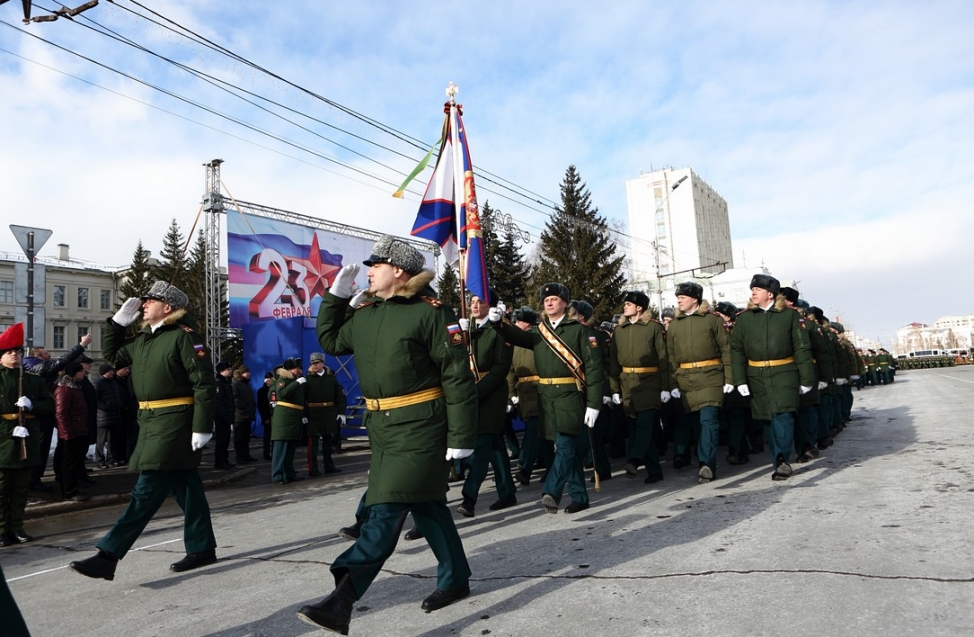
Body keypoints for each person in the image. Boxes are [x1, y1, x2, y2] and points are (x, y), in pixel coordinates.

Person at [301, 235, 477, 634]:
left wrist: (461, 434)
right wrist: (336, 297)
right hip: (381, 428)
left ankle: (341, 600)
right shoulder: (365, 312)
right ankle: (455, 579)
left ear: (398, 270)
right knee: (428, 506)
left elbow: (457, 377)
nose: (367, 271)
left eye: (375, 265)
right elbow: (330, 341)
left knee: (384, 511)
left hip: (420, 426)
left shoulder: (430, 313)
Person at [69, 281, 218, 579]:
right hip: (149, 421)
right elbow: (113, 355)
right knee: (186, 487)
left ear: (168, 308)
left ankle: (108, 555)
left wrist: (202, 425)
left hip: (175, 423)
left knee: (146, 489)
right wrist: (116, 323)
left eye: (151, 300)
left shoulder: (184, 337)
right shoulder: (143, 340)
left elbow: (204, 383)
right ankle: (202, 548)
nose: (144, 304)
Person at [487, 282, 605, 514]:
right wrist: (498, 323)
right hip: (545, 396)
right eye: (545, 300)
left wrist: (594, 403)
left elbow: (594, 368)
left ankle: (552, 490)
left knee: (564, 445)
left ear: (564, 302)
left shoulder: (578, 330)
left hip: (569, 395)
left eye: (554, 299)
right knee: (563, 446)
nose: (549, 302)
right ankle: (580, 496)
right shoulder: (539, 332)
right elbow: (516, 336)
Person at [730, 275, 814, 481]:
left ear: (770, 294)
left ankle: (782, 460)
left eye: (757, 289)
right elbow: (736, 350)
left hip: (784, 373)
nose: (753, 292)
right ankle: (778, 458)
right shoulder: (745, 319)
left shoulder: (789, 316)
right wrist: (739, 380)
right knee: (768, 419)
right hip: (756, 375)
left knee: (783, 415)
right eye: (752, 289)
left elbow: (802, 348)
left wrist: (807, 379)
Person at [666, 282, 733, 484]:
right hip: (685, 379)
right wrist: (672, 384)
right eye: (678, 296)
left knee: (708, 420)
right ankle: (702, 458)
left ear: (695, 299)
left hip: (711, 376)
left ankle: (707, 464)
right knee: (696, 424)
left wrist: (730, 378)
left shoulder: (712, 321)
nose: (679, 299)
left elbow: (726, 349)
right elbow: (670, 357)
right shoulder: (675, 325)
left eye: (683, 296)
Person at [457, 291, 517, 517]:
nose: (473, 306)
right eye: (471, 302)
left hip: (490, 395)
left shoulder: (498, 329)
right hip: (470, 392)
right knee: (495, 446)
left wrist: (476, 391)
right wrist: (458, 334)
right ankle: (507, 491)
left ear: (489, 305)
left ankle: (469, 497)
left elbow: (501, 369)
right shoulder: (467, 330)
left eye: (479, 301)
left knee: (481, 445)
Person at [609, 291, 671, 485]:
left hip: (649, 381)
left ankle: (634, 459)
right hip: (627, 383)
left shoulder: (652, 328)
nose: (624, 307)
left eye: (628, 304)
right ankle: (655, 470)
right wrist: (614, 389)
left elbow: (663, 358)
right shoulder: (619, 330)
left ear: (639, 308)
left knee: (645, 423)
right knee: (637, 429)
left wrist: (665, 387)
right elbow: (613, 362)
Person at [1, 323, 54, 547]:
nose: (15, 354)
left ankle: (17, 526)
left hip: (27, 438)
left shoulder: (33, 380)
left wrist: (31, 405)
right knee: (2, 489)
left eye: (18, 351)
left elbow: (50, 406)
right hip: (3, 439)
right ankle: (2, 529)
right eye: (9, 351)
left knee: (22, 488)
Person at [23, 333, 91, 492]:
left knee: (44, 448)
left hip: (43, 412)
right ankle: (34, 480)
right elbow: (59, 364)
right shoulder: (32, 364)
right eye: (45, 352)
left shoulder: (35, 365)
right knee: (40, 448)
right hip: (39, 415)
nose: (49, 355)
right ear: (37, 354)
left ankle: (36, 478)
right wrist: (81, 346)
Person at [508, 306, 552, 486]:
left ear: (526, 323)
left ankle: (525, 468)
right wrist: (511, 393)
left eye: (518, 321)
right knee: (541, 434)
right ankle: (551, 468)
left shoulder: (538, 336)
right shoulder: (515, 341)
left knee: (534, 430)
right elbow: (511, 370)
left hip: (538, 388)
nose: (516, 324)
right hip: (523, 391)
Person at [54, 362, 91, 502]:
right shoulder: (64, 389)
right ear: (73, 373)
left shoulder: (76, 387)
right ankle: (69, 491)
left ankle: (74, 488)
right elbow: (61, 413)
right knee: (69, 463)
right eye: (81, 371)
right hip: (70, 433)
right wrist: (67, 433)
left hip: (79, 430)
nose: (84, 373)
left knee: (76, 461)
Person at [305, 353, 346, 476]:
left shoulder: (331, 379)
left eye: (317, 363)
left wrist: (341, 412)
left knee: (328, 442)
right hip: (313, 414)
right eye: (313, 363)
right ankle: (313, 468)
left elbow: (340, 396)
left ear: (323, 363)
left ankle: (329, 466)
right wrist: (304, 414)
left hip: (328, 413)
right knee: (313, 443)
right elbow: (302, 398)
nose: (315, 365)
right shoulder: (307, 380)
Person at [270, 357, 307, 484]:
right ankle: (277, 475)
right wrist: (297, 384)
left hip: (293, 417)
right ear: (290, 369)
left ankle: (289, 473)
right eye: (298, 368)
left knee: (290, 449)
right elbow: (281, 394)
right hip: (284, 419)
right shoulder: (283, 380)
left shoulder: (294, 380)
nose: (300, 370)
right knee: (281, 449)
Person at [93, 363, 123, 468]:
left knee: (112, 440)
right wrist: (105, 407)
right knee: (101, 440)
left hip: (114, 415)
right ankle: (100, 460)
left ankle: (111, 459)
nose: (112, 372)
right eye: (110, 371)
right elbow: (95, 399)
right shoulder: (98, 383)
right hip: (104, 416)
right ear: (105, 372)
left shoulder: (113, 382)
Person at [231, 365, 258, 464]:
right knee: (239, 438)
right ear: (242, 373)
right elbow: (235, 399)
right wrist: (244, 407)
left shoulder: (246, 384)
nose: (249, 374)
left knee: (246, 438)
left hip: (247, 415)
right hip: (240, 416)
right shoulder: (235, 384)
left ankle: (246, 455)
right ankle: (240, 457)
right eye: (247, 372)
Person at [213, 360, 235, 469]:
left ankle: (224, 460)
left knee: (226, 440)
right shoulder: (218, 383)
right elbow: (219, 402)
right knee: (221, 440)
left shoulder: (226, 383)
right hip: (222, 417)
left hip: (228, 415)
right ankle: (220, 461)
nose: (230, 371)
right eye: (228, 369)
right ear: (221, 371)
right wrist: (224, 415)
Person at [257, 371, 274, 461]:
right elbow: (261, 406)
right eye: (270, 379)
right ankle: (266, 453)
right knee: (267, 437)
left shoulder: (273, 390)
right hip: (267, 416)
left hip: (274, 416)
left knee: (274, 436)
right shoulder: (262, 391)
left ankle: (274, 452)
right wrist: (265, 418)